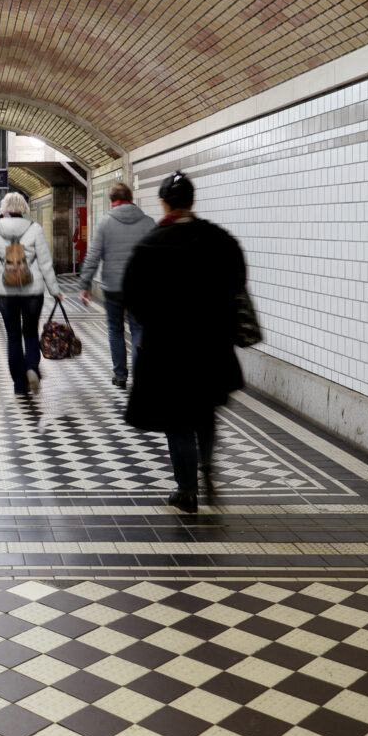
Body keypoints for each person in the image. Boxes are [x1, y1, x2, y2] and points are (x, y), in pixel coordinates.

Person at [122, 171, 246, 514]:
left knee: (177, 419)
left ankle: (186, 489)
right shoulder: (219, 239)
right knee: (204, 408)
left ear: (164, 203)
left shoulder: (151, 244)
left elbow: (134, 297)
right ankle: (206, 462)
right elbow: (238, 282)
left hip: (167, 348)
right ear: (193, 201)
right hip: (212, 346)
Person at [0, 191, 62, 397]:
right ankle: (32, 369)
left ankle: (19, 384)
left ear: (4, 208)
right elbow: (45, 263)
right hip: (33, 292)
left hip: (6, 293)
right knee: (30, 332)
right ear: (24, 209)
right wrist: (55, 290)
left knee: (13, 336)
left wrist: (2, 277)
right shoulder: (35, 229)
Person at [79, 180, 155, 388]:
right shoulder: (148, 222)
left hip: (112, 287)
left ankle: (120, 375)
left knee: (115, 329)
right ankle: (140, 376)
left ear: (111, 200)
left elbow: (93, 256)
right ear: (131, 199)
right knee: (139, 329)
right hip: (140, 287)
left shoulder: (104, 222)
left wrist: (85, 284)